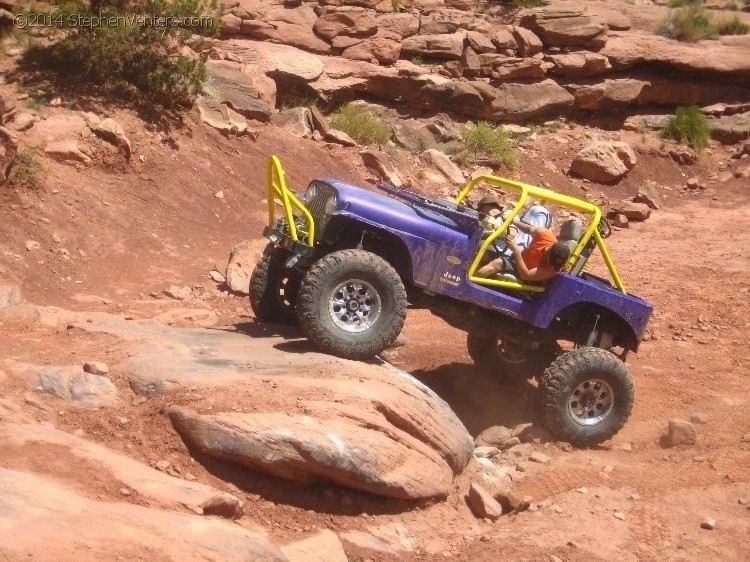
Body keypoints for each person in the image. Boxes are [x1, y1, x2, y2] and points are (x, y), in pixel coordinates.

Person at [476, 219, 571, 283]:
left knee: (498, 263)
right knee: (483, 249)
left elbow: (526, 276)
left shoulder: (552, 269)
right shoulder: (546, 235)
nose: (550, 265)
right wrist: (513, 221)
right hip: (516, 260)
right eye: (551, 261)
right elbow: (529, 229)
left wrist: (516, 251)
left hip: (525, 276)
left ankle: (468, 283)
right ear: (549, 250)